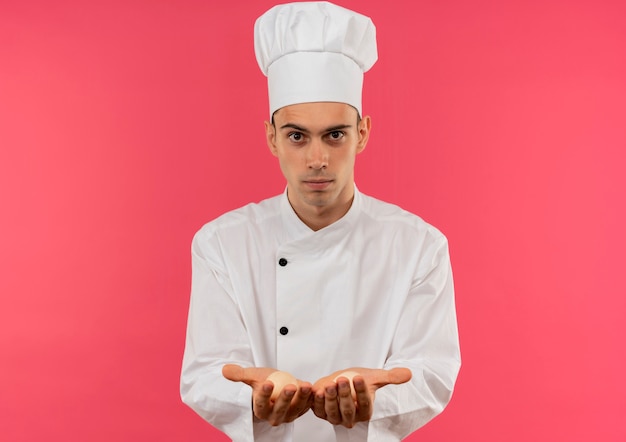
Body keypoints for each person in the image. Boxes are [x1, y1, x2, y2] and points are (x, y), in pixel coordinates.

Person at [180, 2, 461, 441]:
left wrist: (376, 399)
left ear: (362, 133)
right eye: (297, 136)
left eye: (335, 135)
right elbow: (205, 374)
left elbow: (432, 372)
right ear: (272, 138)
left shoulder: (418, 246)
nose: (317, 159)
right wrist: (252, 398)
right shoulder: (222, 243)